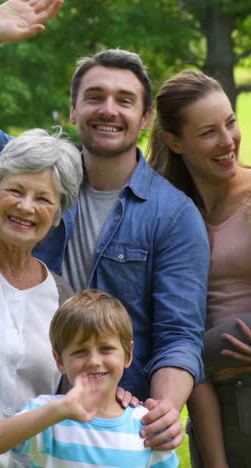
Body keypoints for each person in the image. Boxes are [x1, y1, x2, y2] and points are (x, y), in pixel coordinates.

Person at [0, 0, 211, 450]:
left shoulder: (174, 215)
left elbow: (178, 334)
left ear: (145, 119)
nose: (108, 109)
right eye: (94, 97)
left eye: (124, 101)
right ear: (72, 111)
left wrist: (165, 407)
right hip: (26, 420)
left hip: (110, 434)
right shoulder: (36, 174)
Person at [147, 69, 251, 467]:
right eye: (209, 132)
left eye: (231, 123)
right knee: (188, 351)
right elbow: (181, 338)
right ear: (175, 142)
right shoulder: (168, 214)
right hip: (208, 401)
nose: (228, 142)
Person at [0, 289, 180, 467]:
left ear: (128, 355)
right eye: (80, 351)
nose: (94, 361)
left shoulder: (147, 425)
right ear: (60, 361)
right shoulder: (49, 415)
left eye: (106, 349)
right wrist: (58, 410)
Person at [0, 127, 83, 468]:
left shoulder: (62, 299)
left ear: (57, 217)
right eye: (15, 191)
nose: (26, 207)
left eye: (43, 199)